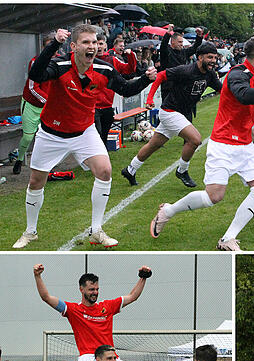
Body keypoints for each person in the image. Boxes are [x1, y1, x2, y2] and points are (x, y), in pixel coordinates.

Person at [148, 35, 254, 251]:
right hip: (223, 144)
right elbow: (244, 95)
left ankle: (227, 239)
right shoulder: (237, 73)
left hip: (245, 146)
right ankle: (168, 211)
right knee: (214, 196)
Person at [12, 25, 157, 249]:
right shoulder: (59, 65)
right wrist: (53, 45)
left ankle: (96, 230)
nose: (92, 47)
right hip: (51, 134)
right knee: (35, 181)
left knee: (105, 170)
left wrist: (146, 79)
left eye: (95, 43)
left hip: (84, 131)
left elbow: (126, 89)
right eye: (86, 42)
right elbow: (36, 74)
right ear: (74, 46)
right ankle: (30, 232)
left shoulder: (104, 69)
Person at [35, 263, 149, 361]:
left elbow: (132, 296)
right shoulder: (73, 309)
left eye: (97, 289)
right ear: (81, 289)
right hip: (89, 355)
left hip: (110, 356)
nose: (95, 292)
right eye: (91, 289)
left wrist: (143, 277)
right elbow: (46, 297)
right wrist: (37, 276)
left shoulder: (107, 306)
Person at [122, 43, 223, 187]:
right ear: (200, 57)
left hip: (180, 114)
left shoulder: (210, 74)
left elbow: (223, 91)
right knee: (195, 140)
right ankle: (182, 170)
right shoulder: (186, 70)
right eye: (210, 57)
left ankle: (130, 169)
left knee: (153, 145)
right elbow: (161, 75)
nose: (213, 60)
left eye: (215, 57)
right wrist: (149, 99)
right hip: (170, 112)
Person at [14, 32, 56, 175]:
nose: (52, 51)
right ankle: (19, 160)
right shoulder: (35, 61)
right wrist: (48, 101)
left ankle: (47, 164)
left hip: (47, 107)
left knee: (49, 136)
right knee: (28, 137)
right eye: (48, 47)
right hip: (31, 104)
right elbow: (32, 87)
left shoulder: (58, 62)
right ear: (43, 48)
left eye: (54, 48)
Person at [94, 36, 137, 150]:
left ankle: (101, 157)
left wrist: (130, 56)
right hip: (92, 106)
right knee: (96, 134)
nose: (98, 46)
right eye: (96, 43)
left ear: (105, 46)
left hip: (107, 105)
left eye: (101, 43)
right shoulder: (86, 60)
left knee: (104, 134)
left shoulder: (112, 60)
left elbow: (129, 70)